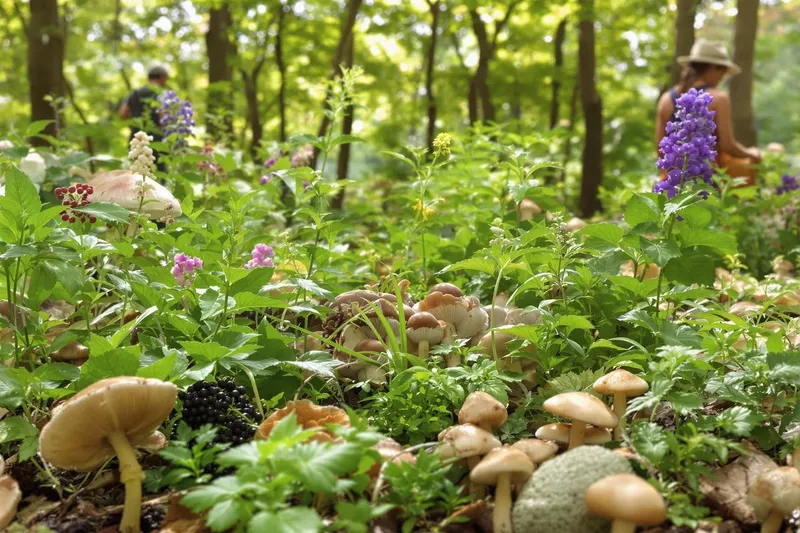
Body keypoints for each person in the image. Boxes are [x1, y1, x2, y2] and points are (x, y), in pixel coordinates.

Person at [656, 40, 761, 186]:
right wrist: (752, 153)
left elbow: (660, 150)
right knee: (747, 164)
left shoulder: (666, 98)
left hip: (672, 180)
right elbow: (727, 145)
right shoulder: (718, 98)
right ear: (713, 67)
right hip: (706, 181)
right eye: (723, 70)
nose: (723, 76)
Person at [119, 64, 169, 171]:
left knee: (137, 175)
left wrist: (136, 119)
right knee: (159, 177)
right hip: (157, 141)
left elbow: (123, 114)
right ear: (162, 76)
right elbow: (162, 120)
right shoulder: (161, 93)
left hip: (137, 140)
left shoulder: (135, 93)